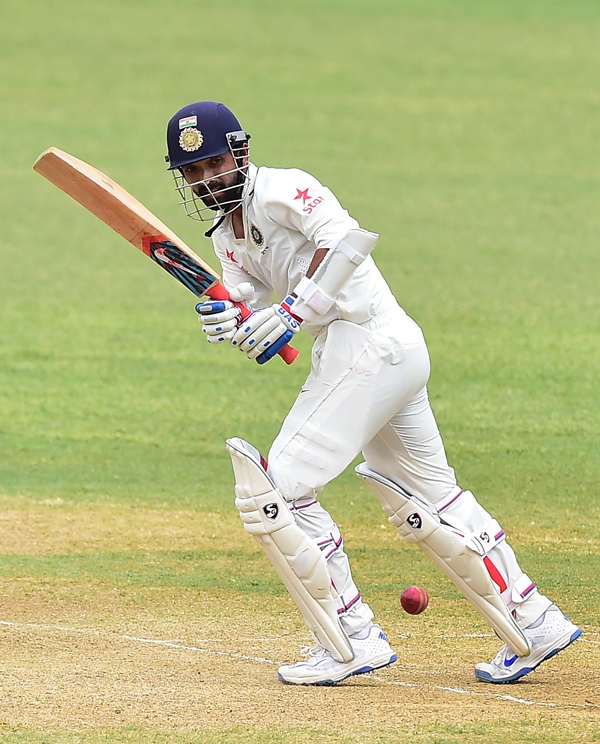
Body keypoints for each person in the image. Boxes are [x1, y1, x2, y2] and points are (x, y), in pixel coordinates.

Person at [164, 100, 581, 686]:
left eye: (214, 164)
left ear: (240, 152)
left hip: (369, 343)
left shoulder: (286, 190)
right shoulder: (227, 243)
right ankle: (534, 619)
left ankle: (351, 635)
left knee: (280, 486)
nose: (207, 180)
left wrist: (292, 310)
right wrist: (231, 324)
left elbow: (351, 242)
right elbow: (257, 320)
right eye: (193, 172)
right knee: (435, 497)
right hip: (378, 354)